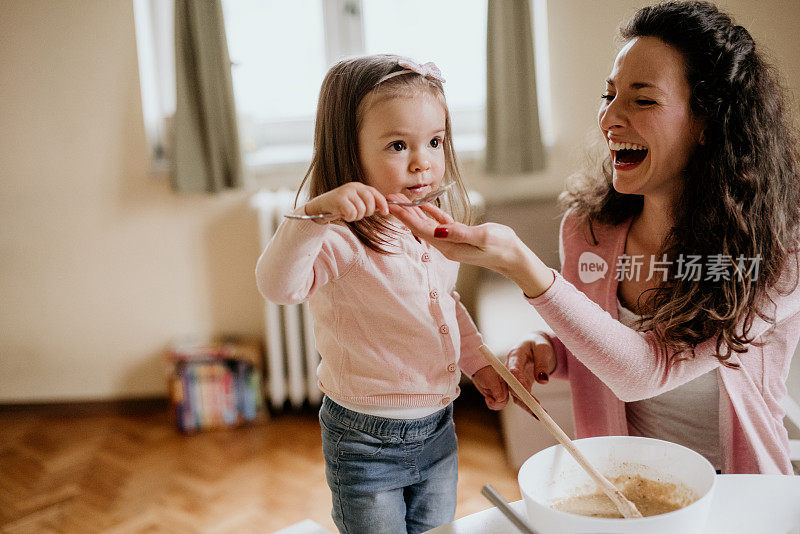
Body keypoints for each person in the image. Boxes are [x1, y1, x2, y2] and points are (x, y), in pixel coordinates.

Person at [390, 1, 800, 474]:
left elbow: (645, 372)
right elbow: (599, 336)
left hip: (742, 498)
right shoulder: (589, 231)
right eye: (610, 96)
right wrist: (550, 349)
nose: (610, 119)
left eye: (642, 100)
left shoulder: (778, 252)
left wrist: (523, 266)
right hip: (626, 490)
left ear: (708, 122)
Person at [255, 55, 506, 533]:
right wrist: (314, 216)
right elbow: (277, 287)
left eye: (435, 141)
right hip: (363, 442)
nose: (423, 162)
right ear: (350, 152)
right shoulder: (340, 238)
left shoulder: (434, 225)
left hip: (438, 429)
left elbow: (445, 304)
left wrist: (479, 361)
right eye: (397, 145)